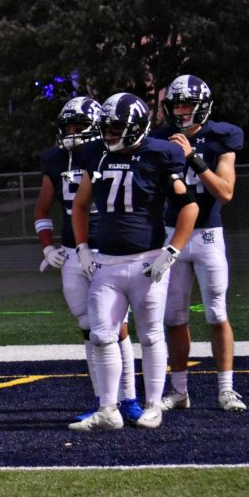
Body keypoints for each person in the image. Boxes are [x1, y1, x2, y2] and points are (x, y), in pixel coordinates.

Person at [69, 93, 198, 431]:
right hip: (107, 263)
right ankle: (109, 410)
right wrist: (82, 246)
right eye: (106, 128)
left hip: (147, 261)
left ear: (136, 128)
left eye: (115, 128)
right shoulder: (95, 154)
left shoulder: (159, 154)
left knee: (152, 336)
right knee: (101, 335)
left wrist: (171, 252)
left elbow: (190, 206)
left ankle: (153, 405)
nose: (109, 134)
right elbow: (80, 205)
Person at [33, 98, 143, 422]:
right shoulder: (54, 159)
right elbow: (42, 209)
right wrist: (47, 248)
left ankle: (129, 399)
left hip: (110, 250)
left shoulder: (110, 155)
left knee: (116, 328)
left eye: (79, 126)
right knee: (88, 328)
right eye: (67, 126)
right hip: (72, 251)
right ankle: (101, 400)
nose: (71, 132)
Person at [154, 75, 244, 412]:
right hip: (171, 234)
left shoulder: (222, 136)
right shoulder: (159, 138)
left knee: (217, 312)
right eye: (176, 104)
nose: (181, 110)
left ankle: (226, 388)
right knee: (174, 316)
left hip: (207, 235)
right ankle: (179, 391)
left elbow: (225, 191)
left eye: (187, 104)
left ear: (202, 106)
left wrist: (192, 156)